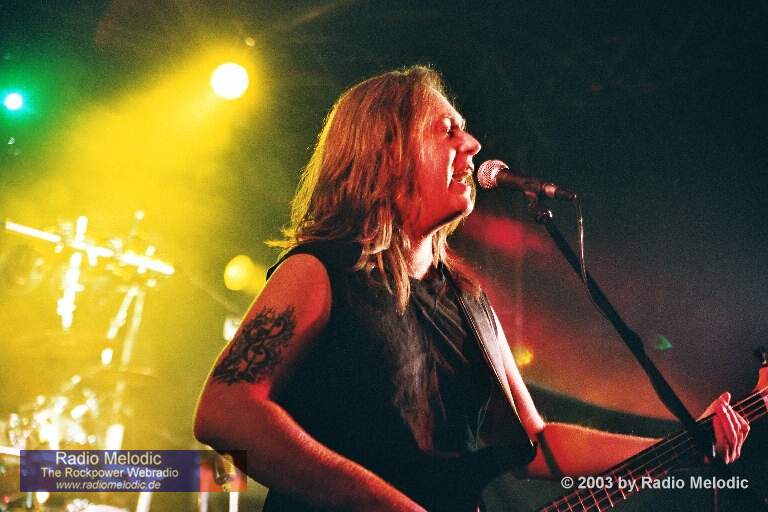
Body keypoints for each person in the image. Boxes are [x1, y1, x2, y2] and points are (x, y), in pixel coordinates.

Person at [194, 65, 750, 511]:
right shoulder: (320, 269)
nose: (474, 144)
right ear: (388, 149)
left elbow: (536, 443)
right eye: (447, 130)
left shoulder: (467, 299)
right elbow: (225, 411)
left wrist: (682, 445)